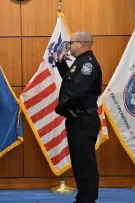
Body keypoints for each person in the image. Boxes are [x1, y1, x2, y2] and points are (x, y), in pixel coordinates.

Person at [53, 31, 102, 203]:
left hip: (84, 119)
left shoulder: (87, 64)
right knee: (79, 161)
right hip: (77, 119)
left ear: (81, 43)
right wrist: (60, 64)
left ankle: (88, 199)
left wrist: (60, 107)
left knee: (85, 162)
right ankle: (83, 197)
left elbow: (77, 92)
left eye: (70, 42)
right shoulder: (80, 63)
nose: (68, 46)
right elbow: (71, 81)